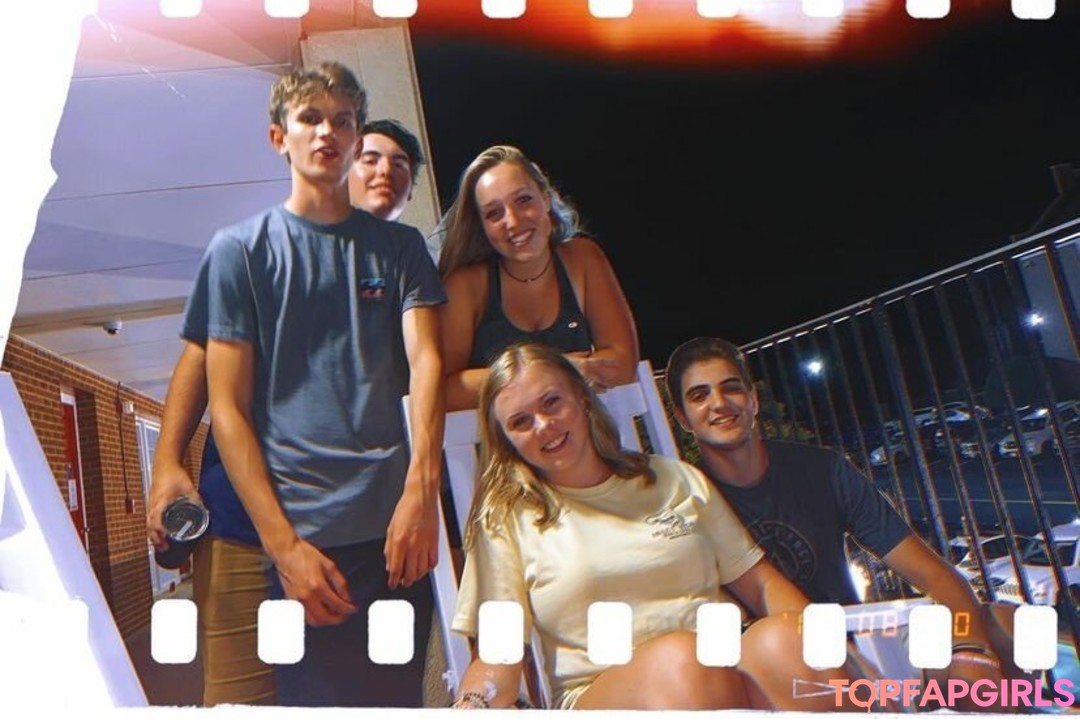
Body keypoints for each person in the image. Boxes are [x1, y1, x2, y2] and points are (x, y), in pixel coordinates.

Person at [146, 116, 430, 706]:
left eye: (400, 164)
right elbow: (199, 357)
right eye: (369, 157)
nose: (384, 171)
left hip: (354, 539)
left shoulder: (410, 274)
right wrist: (167, 462)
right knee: (240, 699)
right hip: (245, 528)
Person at [449, 343, 848, 711]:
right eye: (520, 422)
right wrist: (472, 704)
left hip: (722, 664)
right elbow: (498, 655)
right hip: (606, 690)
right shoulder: (507, 518)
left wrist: (821, 644)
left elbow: (761, 586)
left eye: (552, 402)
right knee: (684, 662)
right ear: (507, 440)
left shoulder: (672, 479)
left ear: (581, 397)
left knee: (789, 643)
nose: (543, 425)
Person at [665, 336, 1017, 707]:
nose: (719, 403)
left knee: (1001, 626)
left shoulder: (823, 470)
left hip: (861, 638)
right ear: (682, 418)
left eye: (731, 388)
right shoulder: (688, 502)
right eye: (700, 395)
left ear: (752, 400)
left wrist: (970, 650)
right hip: (774, 671)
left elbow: (934, 574)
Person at [437, 146, 639, 411]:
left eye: (523, 200)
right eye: (494, 213)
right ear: (482, 226)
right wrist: (555, 370)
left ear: (545, 198)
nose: (512, 221)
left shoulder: (582, 258)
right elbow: (444, 390)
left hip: (584, 432)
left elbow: (622, 365)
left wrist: (510, 381)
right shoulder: (464, 285)